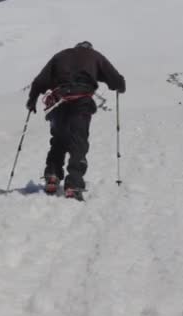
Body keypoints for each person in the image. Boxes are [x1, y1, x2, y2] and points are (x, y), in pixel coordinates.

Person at [26, 41, 126, 200]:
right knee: (78, 140)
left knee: (58, 139)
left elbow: (40, 81)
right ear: (89, 48)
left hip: (59, 101)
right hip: (81, 101)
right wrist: (120, 86)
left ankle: (52, 175)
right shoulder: (95, 56)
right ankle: (73, 184)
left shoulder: (60, 55)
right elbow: (115, 79)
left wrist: (32, 101)